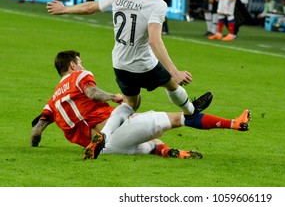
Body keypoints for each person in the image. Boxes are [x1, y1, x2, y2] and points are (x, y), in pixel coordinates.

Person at [46, 0, 213, 136]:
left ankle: (104, 137)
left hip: (120, 63)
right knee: (172, 83)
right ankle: (190, 112)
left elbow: (90, 7)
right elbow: (154, 40)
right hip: (143, 64)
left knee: (131, 103)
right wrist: (175, 71)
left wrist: (65, 9)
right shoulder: (157, 3)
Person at [30, 50, 251, 160]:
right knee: (178, 118)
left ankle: (172, 152)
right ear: (72, 64)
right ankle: (234, 123)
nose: (82, 64)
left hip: (106, 150)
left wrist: (36, 143)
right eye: (79, 61)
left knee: (147, 141)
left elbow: (36, 131)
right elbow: (92, 93)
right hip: (111, 132)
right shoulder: (79, 76)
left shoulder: (53, 99)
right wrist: (112, 96)